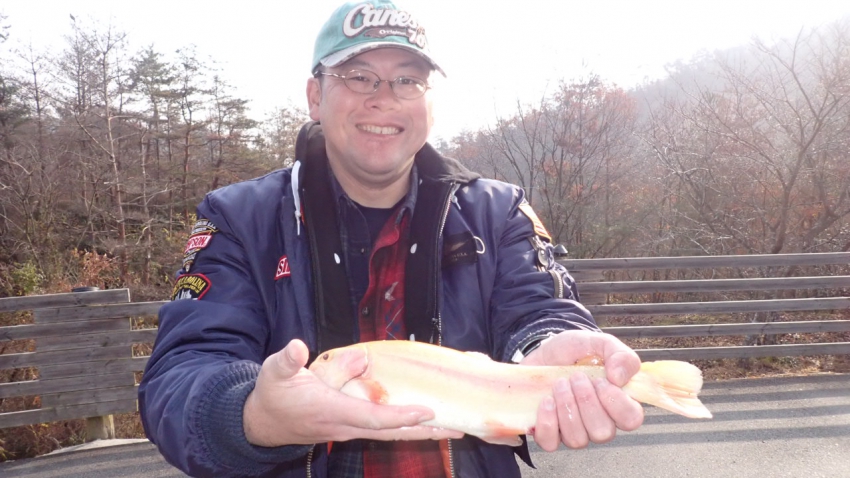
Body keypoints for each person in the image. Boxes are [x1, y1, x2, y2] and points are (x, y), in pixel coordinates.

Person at [138, 1, 645, 477]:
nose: (383, 98)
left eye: (408, 80)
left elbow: (537, 311)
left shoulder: (498, 211)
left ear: (431, 103)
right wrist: (254, 415)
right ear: (315, 96)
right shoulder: (238, 218)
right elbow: (181, 374)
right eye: (358, 77)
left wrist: (548, 345)